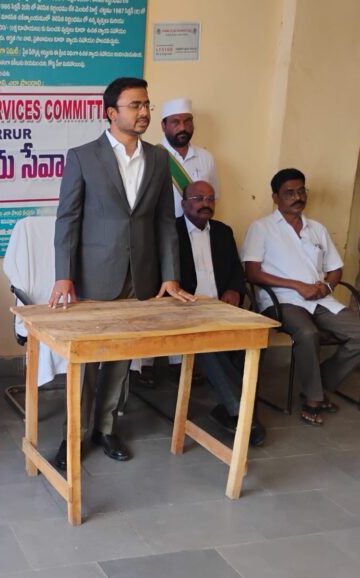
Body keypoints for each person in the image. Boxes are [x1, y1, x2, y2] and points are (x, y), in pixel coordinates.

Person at [49, 77, 194, 470]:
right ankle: (74, 436)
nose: (144, 112)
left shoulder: (159, 159)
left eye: (146, 104)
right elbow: (68, 219)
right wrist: (64, 275)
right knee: (84, 363)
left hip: (140, 276)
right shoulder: (83, 157)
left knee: (120, 359)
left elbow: (164, 221)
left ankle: (106, 427)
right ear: (112, 112)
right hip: (93, 275)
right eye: (135, 105)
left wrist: (170, 275)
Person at [242, 168, 360, 426]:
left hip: (320, 299)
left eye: (301, 191)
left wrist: (327, 287)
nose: (297, 197)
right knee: (307, 333)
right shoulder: (262, 228)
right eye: (289, 193)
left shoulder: (317, 228)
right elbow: (252, 272)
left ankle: (320, 382)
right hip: (281, 300)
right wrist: (297, 285)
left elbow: (335, 269)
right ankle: (314, 399)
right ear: (276, 197)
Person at [131, 98, 220, 383]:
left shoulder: (205, 158)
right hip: (154, 235)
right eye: (176, 122)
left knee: (184, 294)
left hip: (190, 235)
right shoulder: (150, 155)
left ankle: (181, 361)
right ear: (164, 126)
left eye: (187, 121)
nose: (183, 127)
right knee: (151, 298)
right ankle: (144, 363)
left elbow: (213, 194)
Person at [177, 180, 265, 446]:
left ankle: (229, 407)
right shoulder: (170, 231)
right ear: (184, 204)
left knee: (252, 340)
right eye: (198, 199)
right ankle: (242, 413)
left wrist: (235, 290)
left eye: (210, 199)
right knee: (209, 343)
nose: (206, 204)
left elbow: (237, 271)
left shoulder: (223, 232)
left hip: (222, 307)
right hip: (186, 308)